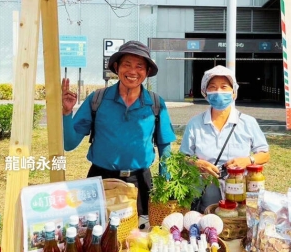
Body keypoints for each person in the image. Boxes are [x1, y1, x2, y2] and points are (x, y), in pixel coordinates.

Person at [61, 40, 176, 217]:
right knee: (97, 233)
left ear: (146, 72)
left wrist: (166, 185)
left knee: (139, 234)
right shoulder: (97, 99)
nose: (132, 71)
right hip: (100, 179)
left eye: (139, 66)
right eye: (127, 64)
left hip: (139, 182)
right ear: (116, 67)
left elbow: (165, 147)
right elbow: (69, 143)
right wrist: (67, 113)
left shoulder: (155, 103)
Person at [179, 65, 270, 212]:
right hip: (205, 192)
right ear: (205, 93)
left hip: (240, 190)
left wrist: (247, 160)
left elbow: (265, 154)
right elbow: (183, 156)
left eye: (224, 87)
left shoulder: (248, 122)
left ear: (233, 93)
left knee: (238, 223)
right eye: (213, 87)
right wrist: (198, 164)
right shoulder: (195, 123)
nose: (218, 92)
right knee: (208, 224)